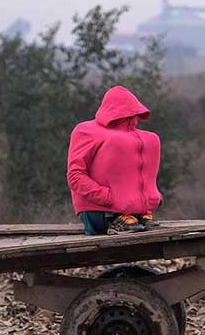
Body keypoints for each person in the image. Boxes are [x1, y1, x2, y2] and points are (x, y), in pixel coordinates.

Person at [67, 85, 162, 234]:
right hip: (100, 210)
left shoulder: (145, 137)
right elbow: (75, 176)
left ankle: (138, 215)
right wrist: (110, 198)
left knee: (151, 140)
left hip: (136, 213)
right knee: (117, 142)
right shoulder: (86, 131)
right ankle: (122, 217)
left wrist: (152, 197)